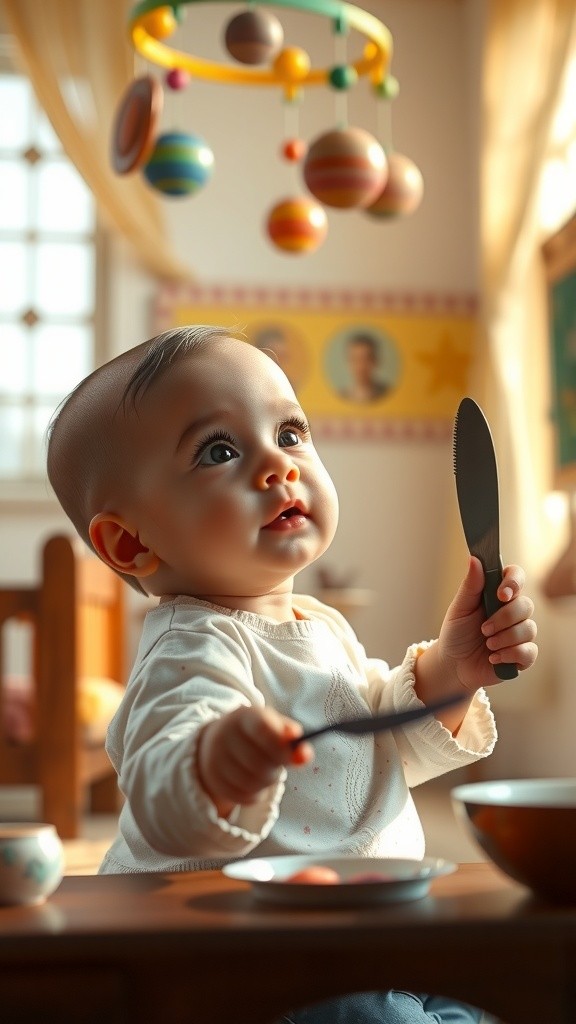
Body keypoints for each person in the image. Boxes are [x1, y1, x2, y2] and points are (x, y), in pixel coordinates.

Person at [46, 325, 537, 1024]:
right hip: (248, 963)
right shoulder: (193, 649)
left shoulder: (316, 625)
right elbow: (163, 787)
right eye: (220, 451)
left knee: (499, 995)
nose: (280, 467)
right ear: (131, 541)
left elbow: (375, 754)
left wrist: (452, 673)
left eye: (291, 433)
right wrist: (214, 766)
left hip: (370, 930)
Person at [339, 330, 393, 403]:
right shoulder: (341, 396)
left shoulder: (389, 394)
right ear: (348, 362)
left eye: (365, 359)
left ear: (375, 361)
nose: (360, 366)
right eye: (355, 359)